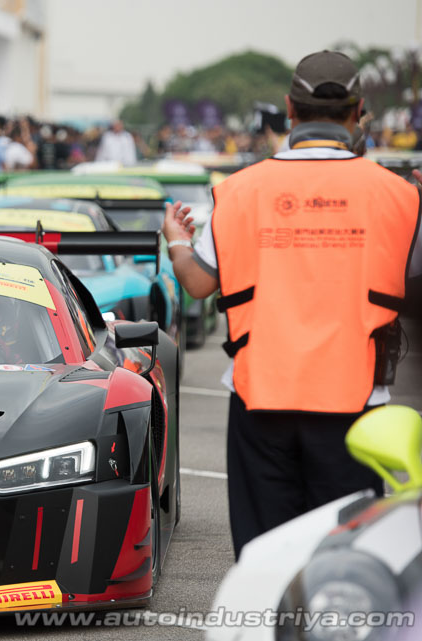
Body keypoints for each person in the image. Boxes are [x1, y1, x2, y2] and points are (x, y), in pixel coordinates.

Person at [162, 51, 422, 560]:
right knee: (347, 562)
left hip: (262, 401)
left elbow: (196, 284)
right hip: (357, 406)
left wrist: (176, 241)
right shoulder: (400, 196)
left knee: (265, 557)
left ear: (289, 108)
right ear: (358, 111)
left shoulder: (238, 192)